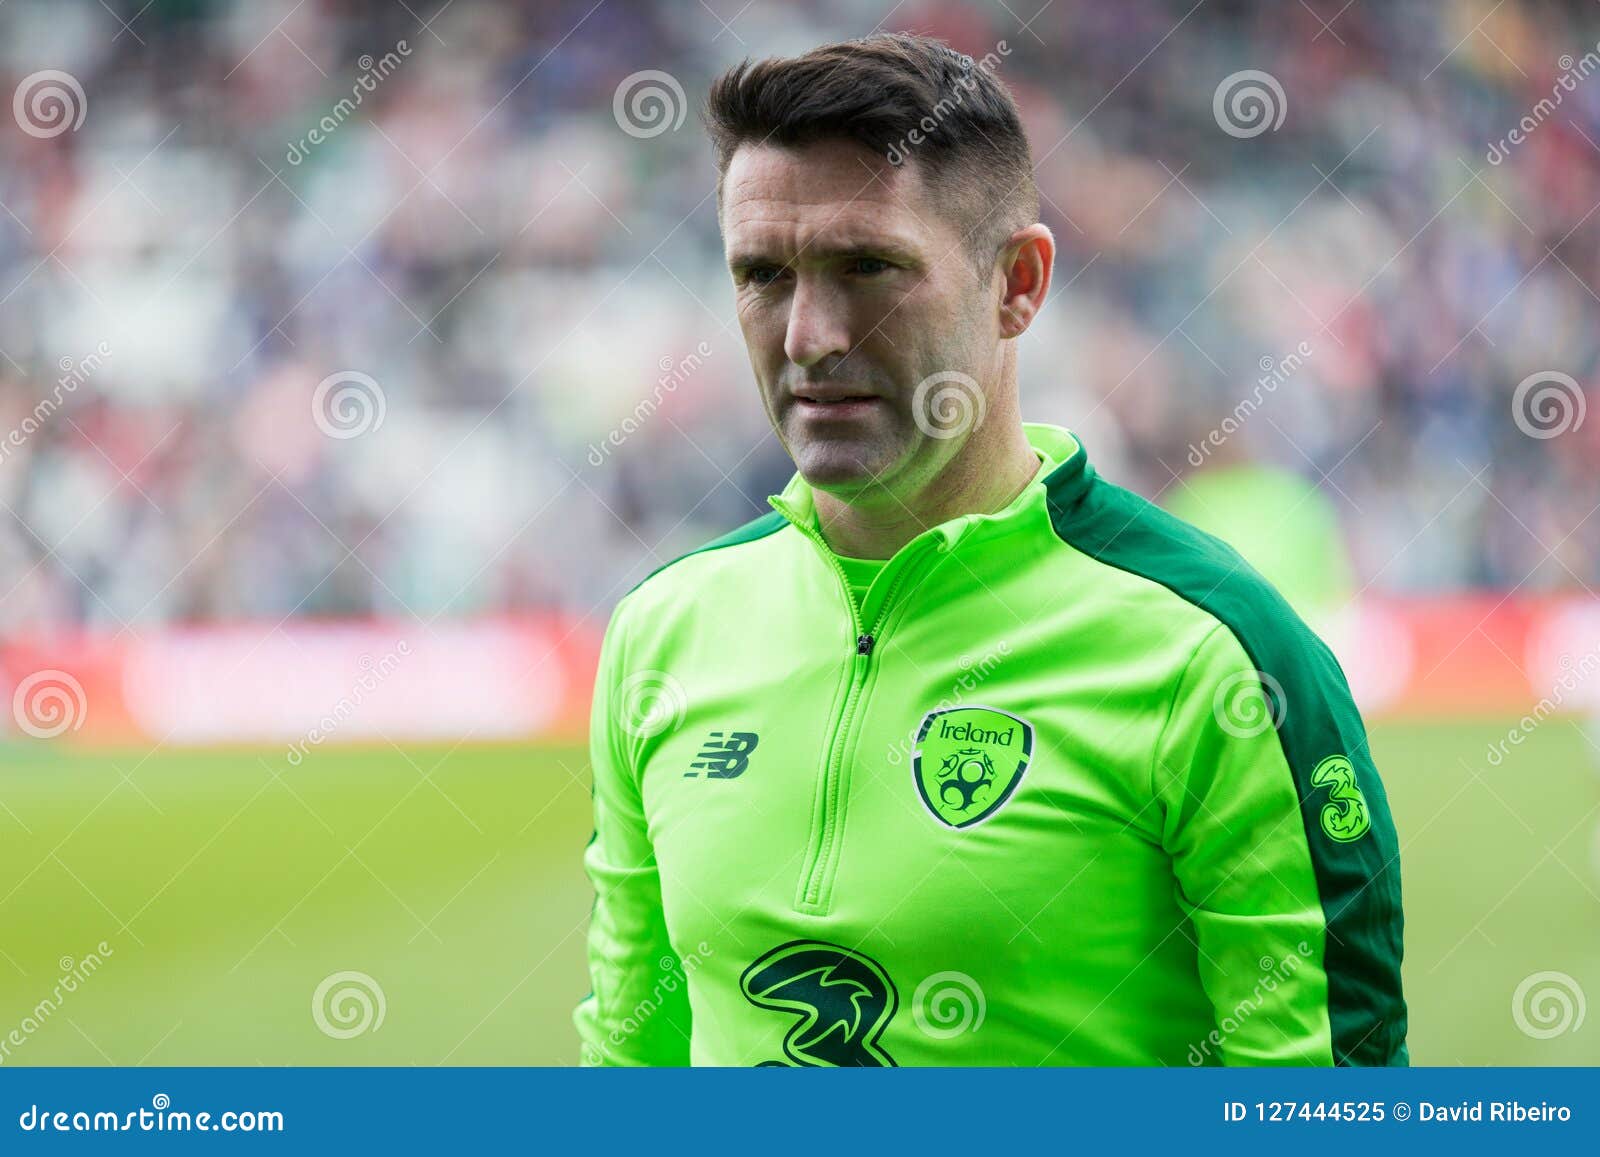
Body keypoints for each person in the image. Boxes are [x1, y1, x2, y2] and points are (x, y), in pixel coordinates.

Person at [574, 32, 1406, 1066]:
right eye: (763, 275)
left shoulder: (1217, 658)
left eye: (867, 266)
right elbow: (626, 1068)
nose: (807, 335)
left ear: (1017, 282)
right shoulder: (663, 630)